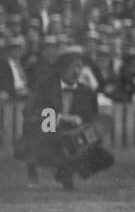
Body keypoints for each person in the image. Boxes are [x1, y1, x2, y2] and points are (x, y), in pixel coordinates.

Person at [17, 45, 114, 191]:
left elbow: (92, 123)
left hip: (74, 142)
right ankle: (33, 175)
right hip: (48, 137)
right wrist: (60, 118)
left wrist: (85, 130)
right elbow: (29, 112)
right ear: (61, 68)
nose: (77, 71)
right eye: (73, 67)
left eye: (80, 67)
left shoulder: (87, 93)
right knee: (33, 133)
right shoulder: (45, 86)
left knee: (106, 158)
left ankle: (66, 173)